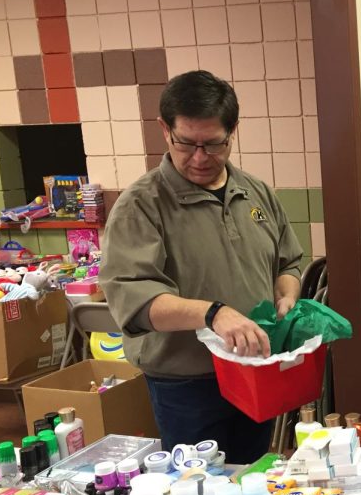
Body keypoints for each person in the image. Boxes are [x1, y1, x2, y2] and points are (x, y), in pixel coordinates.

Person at [101, 70, 303, 463]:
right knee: (198, 493)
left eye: (213, 145)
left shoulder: (255, 192)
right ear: (165, 130)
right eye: (186, 143)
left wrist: (287, 296)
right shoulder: (142, 205)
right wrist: (212, 314)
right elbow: (135, 301)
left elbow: (288, 261)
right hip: (187, 387)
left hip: (253, 373)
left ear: (232, 133)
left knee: (252, 479)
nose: (199, 158)